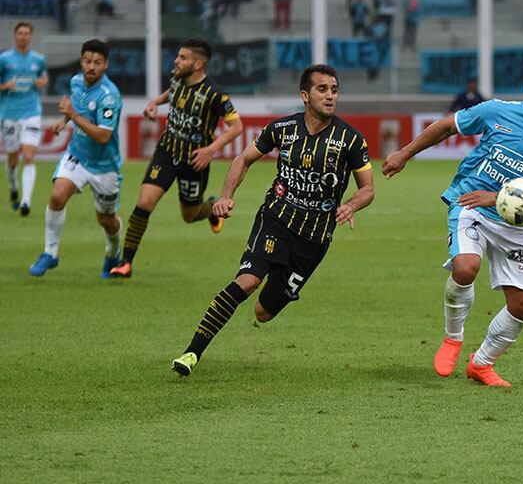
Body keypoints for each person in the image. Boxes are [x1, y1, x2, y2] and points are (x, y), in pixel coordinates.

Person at [382, 57, 523, 387]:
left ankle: (481, 364)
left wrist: (497, 196)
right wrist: (404, 154)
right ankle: (453, 338)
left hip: (513, 222)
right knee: (466, 267)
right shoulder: (497, 110)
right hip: (468, 203)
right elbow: (446, 127)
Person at [171, 64, 375, 377]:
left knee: (263, 312)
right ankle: (192, 352)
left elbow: (368, 189)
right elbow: (244, 159)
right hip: (276, 219)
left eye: (334, 90)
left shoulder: (351, 140)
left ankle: (281, 281)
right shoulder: (282, 129)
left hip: (313, 240)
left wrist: (350, 205)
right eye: (323, 89)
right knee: (247, 282)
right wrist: (226, 194)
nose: (330, 96)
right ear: (305, 96)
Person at [110, 38, 243, 278]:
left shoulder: (215, 93)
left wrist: (210, 150)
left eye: (182, 57)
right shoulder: (178, 78)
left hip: (194, 161)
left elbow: (236, 127)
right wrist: (155, 102)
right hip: (167, 152)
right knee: (145, 203)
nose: (176, 60)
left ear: (198, 63)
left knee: (189, 215)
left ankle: (212, 209)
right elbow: (172, 92)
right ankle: (126, 262)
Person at [28, 39, 123, 278]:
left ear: (106, 65)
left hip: (104, 166)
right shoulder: (76, 82)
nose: (91, 67)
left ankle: (113, 253)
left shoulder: (109, 96)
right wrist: (64, 121)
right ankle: (50, 253)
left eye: (97, 63)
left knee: (106, 220)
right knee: (57, 196)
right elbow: (78, 109)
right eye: (87, 61)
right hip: (77, 156)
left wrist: (71, 114)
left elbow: (103, 136)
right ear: (81, 61)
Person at [0, 22, 49, 216]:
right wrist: (5, 85)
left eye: (27, 33)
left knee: (28, 156)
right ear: (14, 35)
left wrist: (42, 82)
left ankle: (26, 202)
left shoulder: (38, 59)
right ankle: (14, 187)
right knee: (12, 160)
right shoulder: (4, 60)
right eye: (20, 33)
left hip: (31, 112)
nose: (23, 36)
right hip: (10, 114)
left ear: (30, 36)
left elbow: (44, 78)